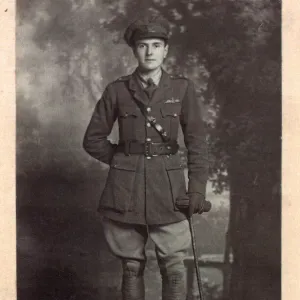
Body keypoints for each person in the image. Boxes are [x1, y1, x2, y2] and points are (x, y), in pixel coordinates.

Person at [83, 14, 209, 300]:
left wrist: (197, 189)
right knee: (130, 266)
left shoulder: (182, 89)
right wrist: (124, 160)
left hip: (170, 189)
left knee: (174, 266)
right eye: (143, 45)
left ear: (166, 50)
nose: (150, 52)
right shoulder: (117, 90)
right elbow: (92, 140)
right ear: (134, 50)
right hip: (124, 190)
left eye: (156, 45)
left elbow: (198, 143)